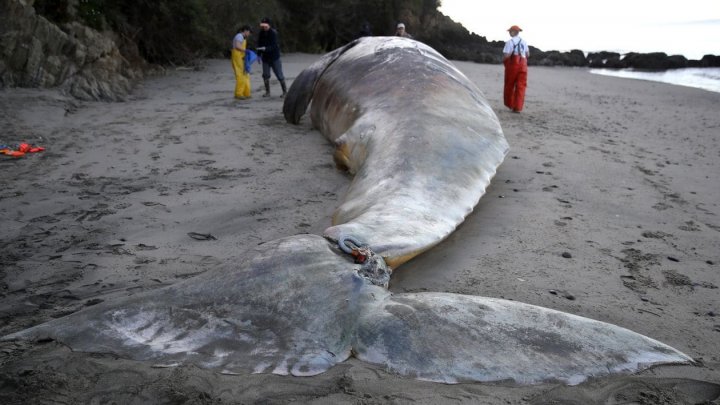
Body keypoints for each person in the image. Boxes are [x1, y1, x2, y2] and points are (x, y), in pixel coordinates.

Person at [256, 17, 287, 98]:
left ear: (269, 25)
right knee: (265, 75)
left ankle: (285, 92)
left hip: (274, 57)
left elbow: (274, 46)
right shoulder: (261, 33)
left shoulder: (273, 33)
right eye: (262, 26)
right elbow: (259, 44)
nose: (264, 28)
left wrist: (266, 49)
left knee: (279, 75)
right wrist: (258, 55)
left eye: (265, 26)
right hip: (265, 58)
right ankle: (267, 92)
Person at [503, 25, 530, 113]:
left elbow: (506, 56)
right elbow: (527, 54)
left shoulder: (509, 42)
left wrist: (506, 60)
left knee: (509, 85)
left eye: (510, 31)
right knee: (521, 86)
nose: (509, 33)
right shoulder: (524, 42)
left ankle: (510, 104)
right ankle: (517, 108)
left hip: (513, 65)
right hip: (523, 65)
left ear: (513, 32)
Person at [231, 25, 252, 99]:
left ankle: (246, 93)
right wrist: (245, 50)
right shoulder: (239, 36)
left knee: (246, 74)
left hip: (242, 58)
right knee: (240, 75)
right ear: (245, 30)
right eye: (249, 32)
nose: (249, 34)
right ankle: (238, 94)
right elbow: (237, 46)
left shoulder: (243, 38)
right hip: (237, 58)